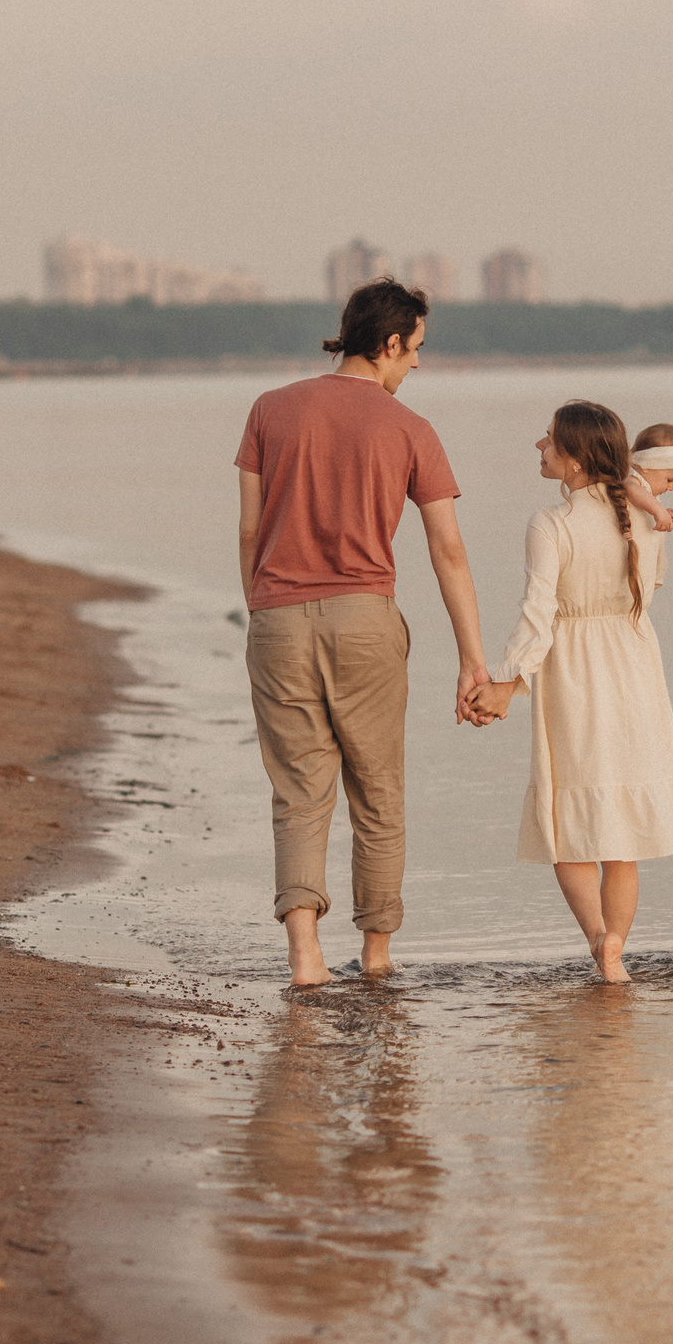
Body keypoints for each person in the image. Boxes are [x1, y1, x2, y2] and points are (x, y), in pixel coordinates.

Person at [235, 278, 489, 986]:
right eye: (416, 348)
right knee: (377, 793)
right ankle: (377, 957)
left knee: (298, 791)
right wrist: (472, 658)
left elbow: (250, 529)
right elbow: (448, 551)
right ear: (388, 343)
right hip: (364, 622)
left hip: (277, 618)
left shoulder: (269, 408)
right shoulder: (410, 429)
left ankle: (305, 957)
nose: (418, 362)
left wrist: (262, 611)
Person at [471, 400, 673, 983]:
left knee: (568, 827)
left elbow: (538, 612)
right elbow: (651, 585)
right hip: (634, 669)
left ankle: (599, 939)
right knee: (621, 835)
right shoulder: (643, 516)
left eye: (548, 438)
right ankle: (617, 948)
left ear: (574, 458)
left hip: (573, 674)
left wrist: (507, 682)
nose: (539, 446)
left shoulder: (551, 523)